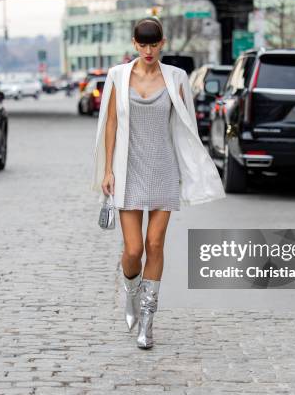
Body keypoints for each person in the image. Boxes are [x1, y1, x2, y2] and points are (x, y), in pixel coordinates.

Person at [90, 17, 225, 349]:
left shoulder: (177, 78)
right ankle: (131, 295)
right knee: (133, 249)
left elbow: (185, 127)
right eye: (143, 44)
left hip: (164, 169)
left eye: (154, 44)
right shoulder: (118, 77)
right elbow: (110, 124)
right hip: (128, 169)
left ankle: (147, 321)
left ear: (162, 43)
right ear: (134, 44)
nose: (148, 51)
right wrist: (108, 170)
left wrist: (191, 171)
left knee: (154, 245)